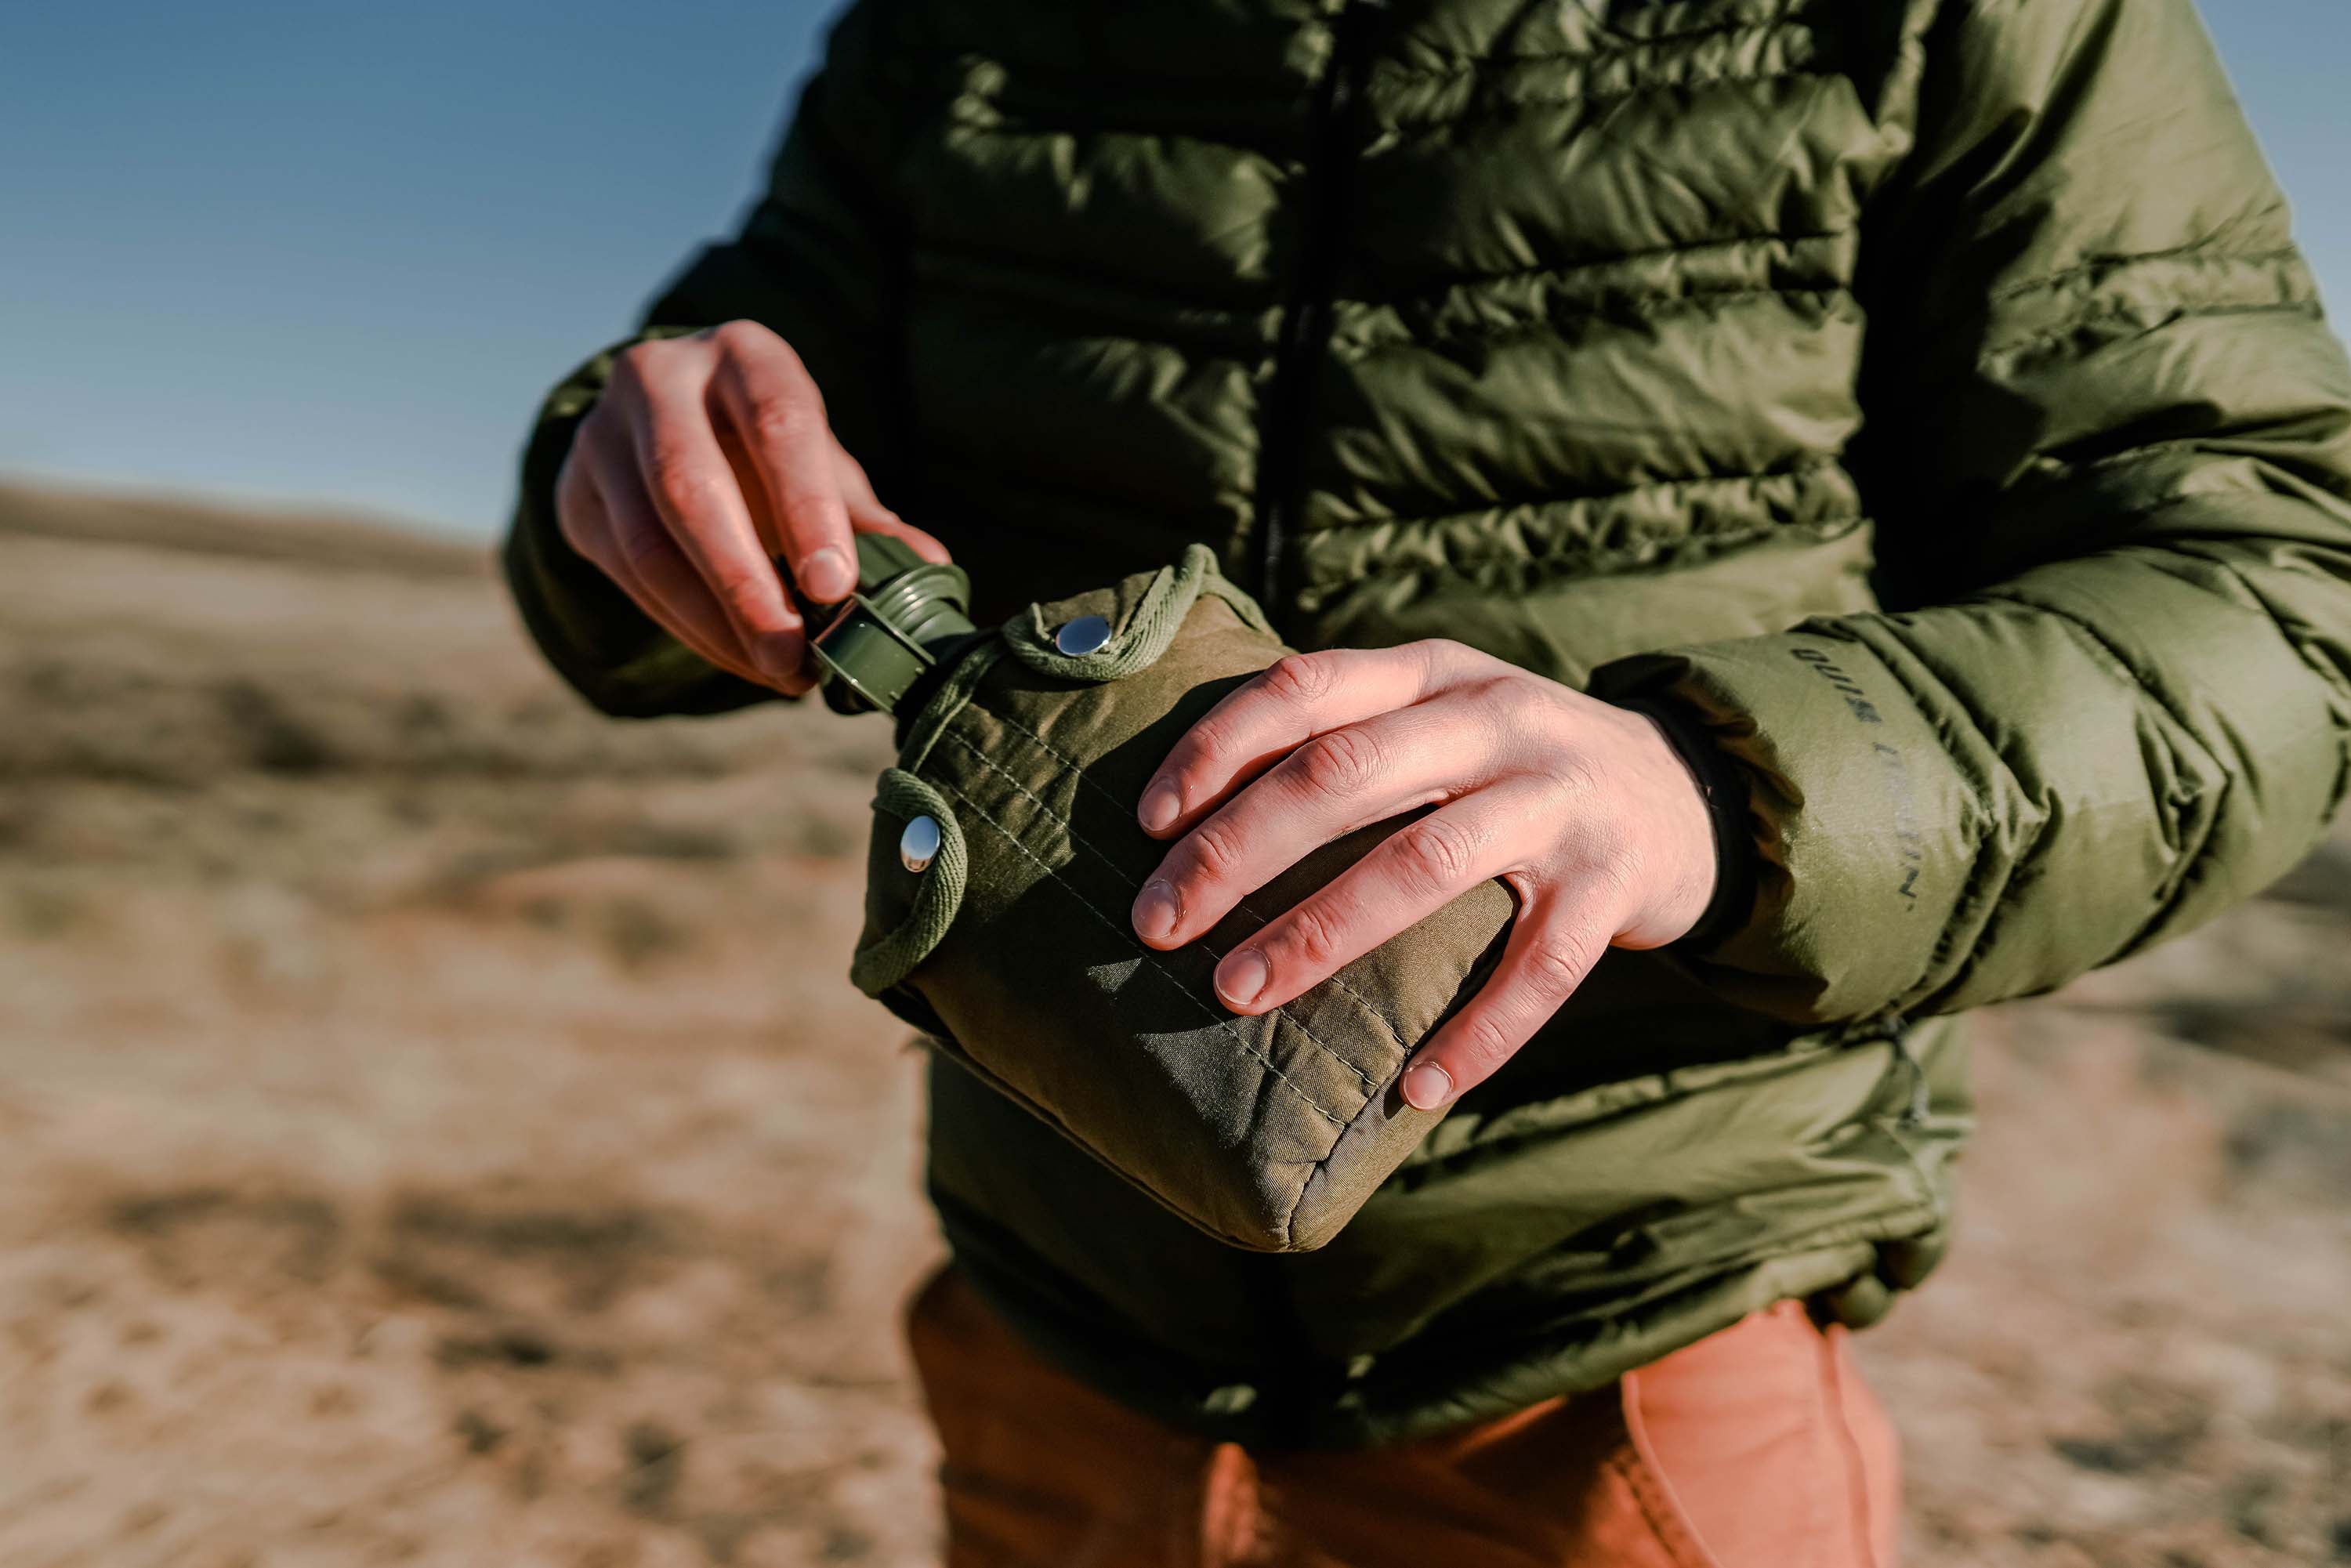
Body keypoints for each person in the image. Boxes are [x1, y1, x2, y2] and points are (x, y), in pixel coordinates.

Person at [503, 1, 2351, 1563]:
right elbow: (695, 460)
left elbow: (2271, 590)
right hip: (1047, 1334)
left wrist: (1707, 790)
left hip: (1626, 1370)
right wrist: (623, 463)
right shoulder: (963, 26)